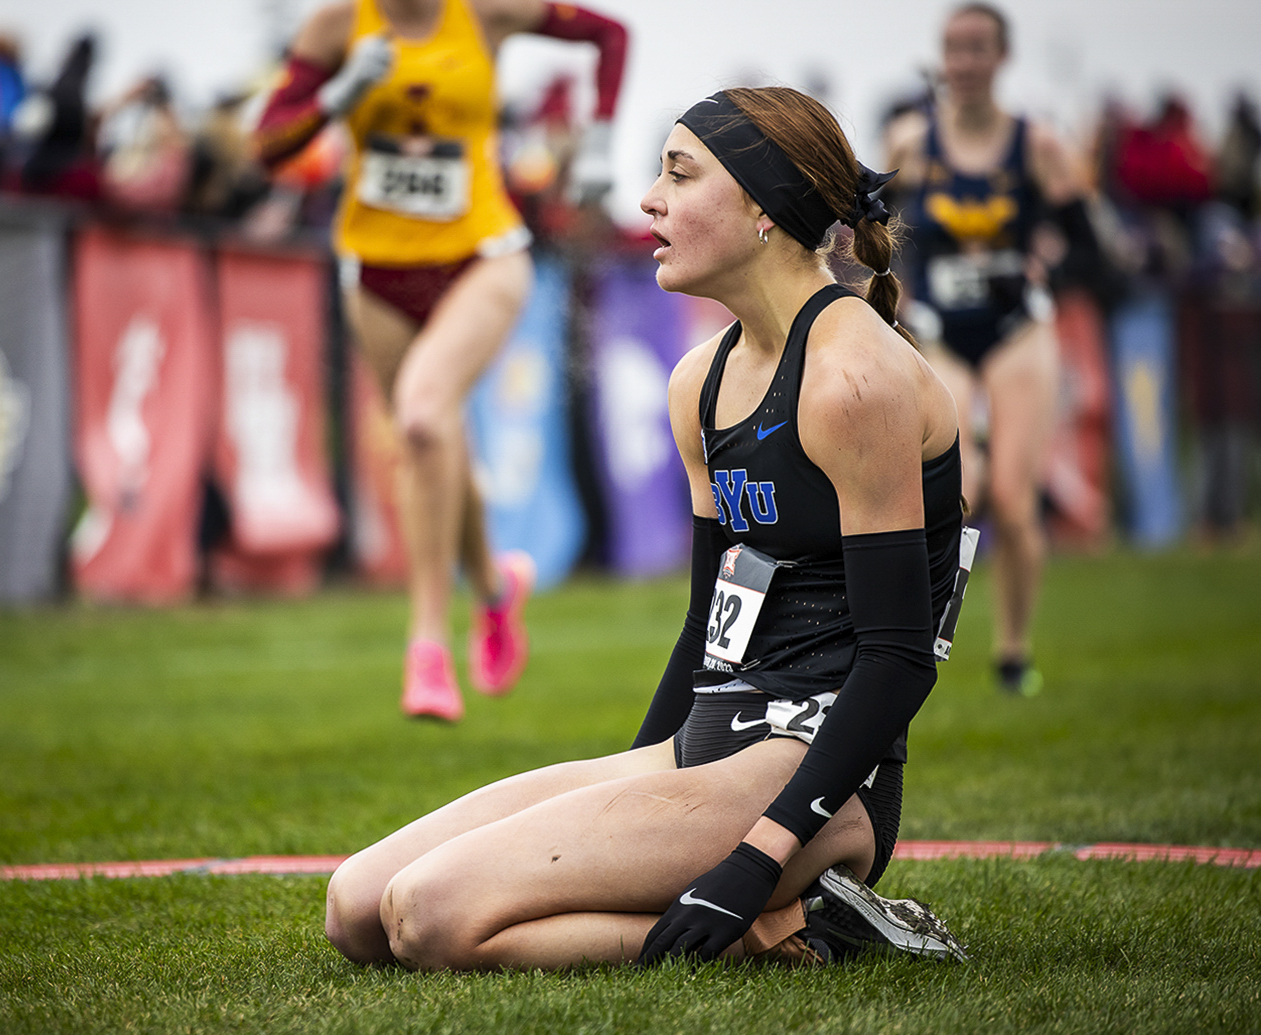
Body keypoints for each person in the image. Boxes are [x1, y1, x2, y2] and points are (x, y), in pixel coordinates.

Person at [322, 85, 969, 971]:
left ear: (762, 211)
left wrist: (757, 859)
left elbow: (897, 660)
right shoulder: (697, 380)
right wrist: (626, 803)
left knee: (429, 919)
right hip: (700, 746)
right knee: (357, 906)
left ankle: (779, 918)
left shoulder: (853, 378)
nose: (648, 200)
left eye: (678, 173)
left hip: (819, 775)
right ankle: (758, 907)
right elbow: (710, 622)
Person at [252, 0, 628, 722]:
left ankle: (426, 647)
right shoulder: (336, 25)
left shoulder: (487, 13)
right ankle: (495, 588)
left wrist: (597, 139)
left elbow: (608, 35)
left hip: (481, 256)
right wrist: (335, 97)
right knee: (433, 437)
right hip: (378, 271)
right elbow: (267, 145)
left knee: (423, 415)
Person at [886, 2, 1097, 697]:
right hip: (944, 330)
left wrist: (1046, 266)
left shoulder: (1038, 145)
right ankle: (915, 649)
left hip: (1016, 333)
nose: (965, 62)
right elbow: (874, 232)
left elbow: (1088, 246)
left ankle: (1013, 652)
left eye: (978, 48)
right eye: (953, 48)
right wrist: (893, 291)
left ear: (1001, 58)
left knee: (1011, 494)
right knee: (957, 488)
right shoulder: (912, 142)